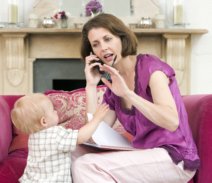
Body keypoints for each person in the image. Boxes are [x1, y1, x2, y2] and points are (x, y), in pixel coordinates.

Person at [72, 13, 200, 183]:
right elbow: (93, 134)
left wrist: (128, 94)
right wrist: (91, 85)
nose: (103, 48)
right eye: (96, 44)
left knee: (87, 165)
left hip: (173, 157)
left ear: (122, 38)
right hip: (142, 154)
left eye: (108, 39)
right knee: (71, 152)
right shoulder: (113, 84)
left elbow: (171, 121)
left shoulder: (151, 68)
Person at [11, 93, 109, 183]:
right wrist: (96, 119)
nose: (56, 111)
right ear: (44, 121)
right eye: (52, 110)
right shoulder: (55, 134)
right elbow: (80, 137)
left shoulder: (33, 137)